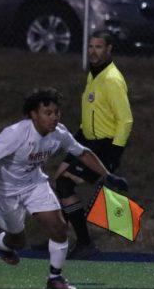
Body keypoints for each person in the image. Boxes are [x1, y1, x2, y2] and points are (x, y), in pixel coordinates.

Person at [0, 87, 128, 289]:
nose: (54, 117)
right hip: (5, 190)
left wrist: (108, 176)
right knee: (18, 240)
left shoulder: (59, 134)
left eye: (57, 112)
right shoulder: (16, 134)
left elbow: (82, 153)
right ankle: (2, 243)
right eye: (48, 113)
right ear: (33, 114)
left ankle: (55, 278)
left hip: (34, 184)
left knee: (58, 226)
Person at [54, 30, 133, 259]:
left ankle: (84, 242)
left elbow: (126, 120)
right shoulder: (94, 75)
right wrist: (74, 144)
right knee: (59, 179)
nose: (93, 51)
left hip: (102, 145)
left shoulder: (112, 79)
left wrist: (114, 154)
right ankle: (59, 235)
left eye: (99, 47)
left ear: (109, 50)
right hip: (87, 141)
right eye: (91, 47)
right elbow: (91, 115)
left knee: (65, 184)